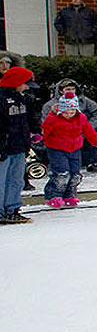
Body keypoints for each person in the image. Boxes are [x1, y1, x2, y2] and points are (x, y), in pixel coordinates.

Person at [39, 97, 97, 208]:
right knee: (61, 173)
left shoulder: (81, 118)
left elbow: (89, 131)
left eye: (72, 111)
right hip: (57, 149)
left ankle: (69, 195)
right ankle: (53, 195)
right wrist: (39, 138)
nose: (69, 114)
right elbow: (45, 130)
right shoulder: (53, 119)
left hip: (75, 149)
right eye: (66, 112)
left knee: (74, 174)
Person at [39, 79, 97, 172]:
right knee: (61, 169)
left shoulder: (84, 101)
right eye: (68, 89)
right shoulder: (50, 105)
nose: (71, 91)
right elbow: (46, 125)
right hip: (59, 139)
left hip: (78, 135)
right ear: (61, 91)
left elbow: (96, 113)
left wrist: (90, 126)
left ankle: (93, 163)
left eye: (73, 89)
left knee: (96, 138)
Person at [0, 67, 31, 224]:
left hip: (18, 146)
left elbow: (25, 123)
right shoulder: (1, 99)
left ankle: (12, 208)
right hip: (4, 147)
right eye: (24, 83)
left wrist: (27, 143)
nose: (27, 87)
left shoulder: (22, 99)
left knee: (16, 180)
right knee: (1, 180)